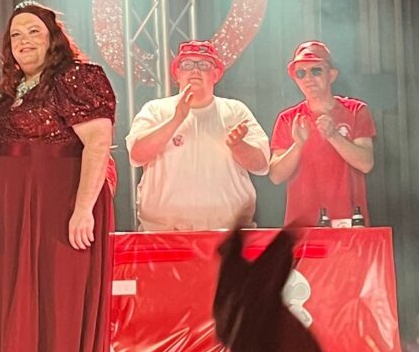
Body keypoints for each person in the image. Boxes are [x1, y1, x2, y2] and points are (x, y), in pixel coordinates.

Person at [0, 2, 116, 352]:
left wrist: (83, 209)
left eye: (33, 31)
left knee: (58, 306)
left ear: (53, 37)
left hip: (60, 206)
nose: (24, 41)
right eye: (16, 35)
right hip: (15, 213)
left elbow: (98, 144)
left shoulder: (77, 77)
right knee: (17, 302)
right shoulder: (11, 91)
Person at [125, 39, 269, 231]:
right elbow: (136, 155)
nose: (195, 70)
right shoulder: (156, 109)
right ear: (177, 73)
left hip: (230, 233)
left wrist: (238, 145)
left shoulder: (235, 110)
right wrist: (176, 119)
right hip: (164, 233)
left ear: (216, 74)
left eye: (203, 65)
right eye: (187, 65)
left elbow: (261, 166)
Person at [269, 41, 376, 225]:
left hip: (348, 222)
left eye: (316, 70)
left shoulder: (356, 111)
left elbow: (366, 163)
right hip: (301, 225)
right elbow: (275, 176)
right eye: (301, 73)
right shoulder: (288, 118)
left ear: (332, 75)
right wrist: (298, 145)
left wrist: (333, 135)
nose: (308, 78)